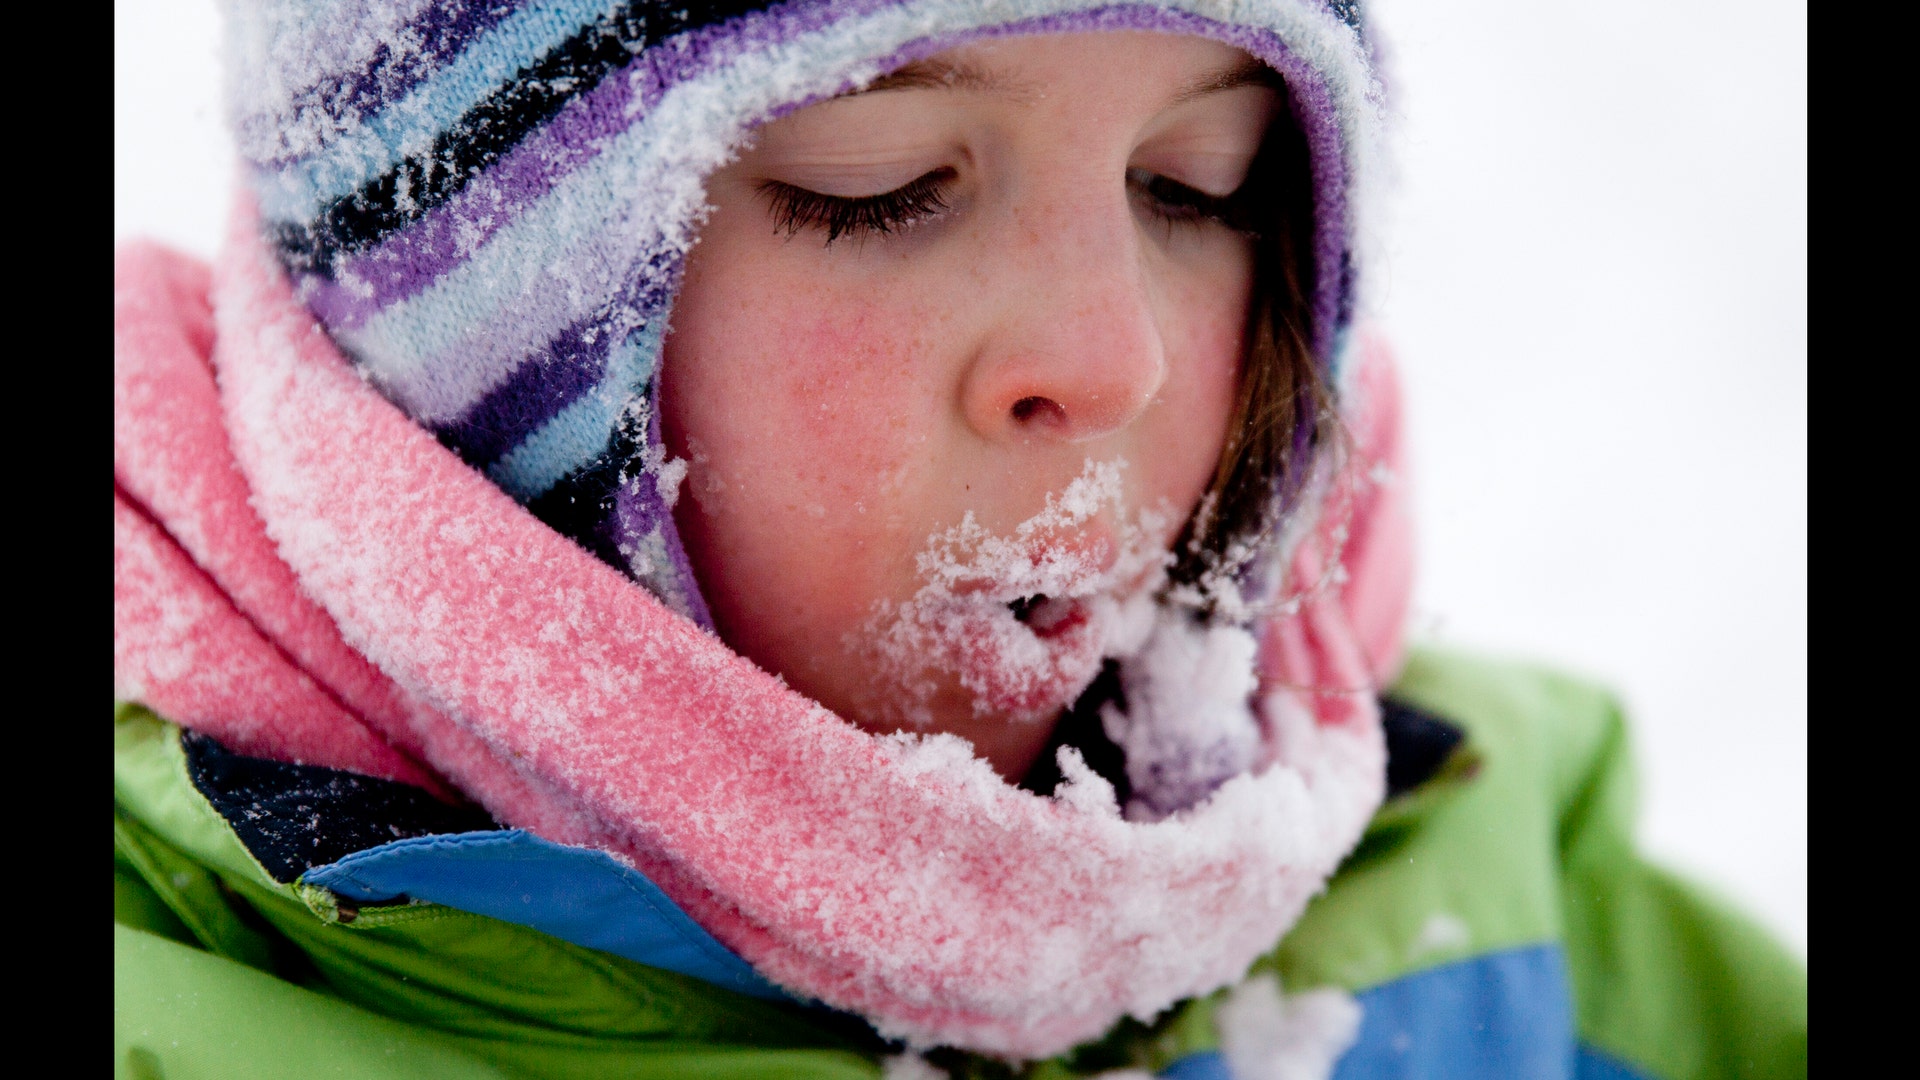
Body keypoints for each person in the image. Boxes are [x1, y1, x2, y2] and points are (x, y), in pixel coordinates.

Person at [112, 2, 1807, 1078]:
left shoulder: (1481, 878)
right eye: (880, 180)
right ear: (478, 328)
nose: (1113, 354)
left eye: (1198, 183)